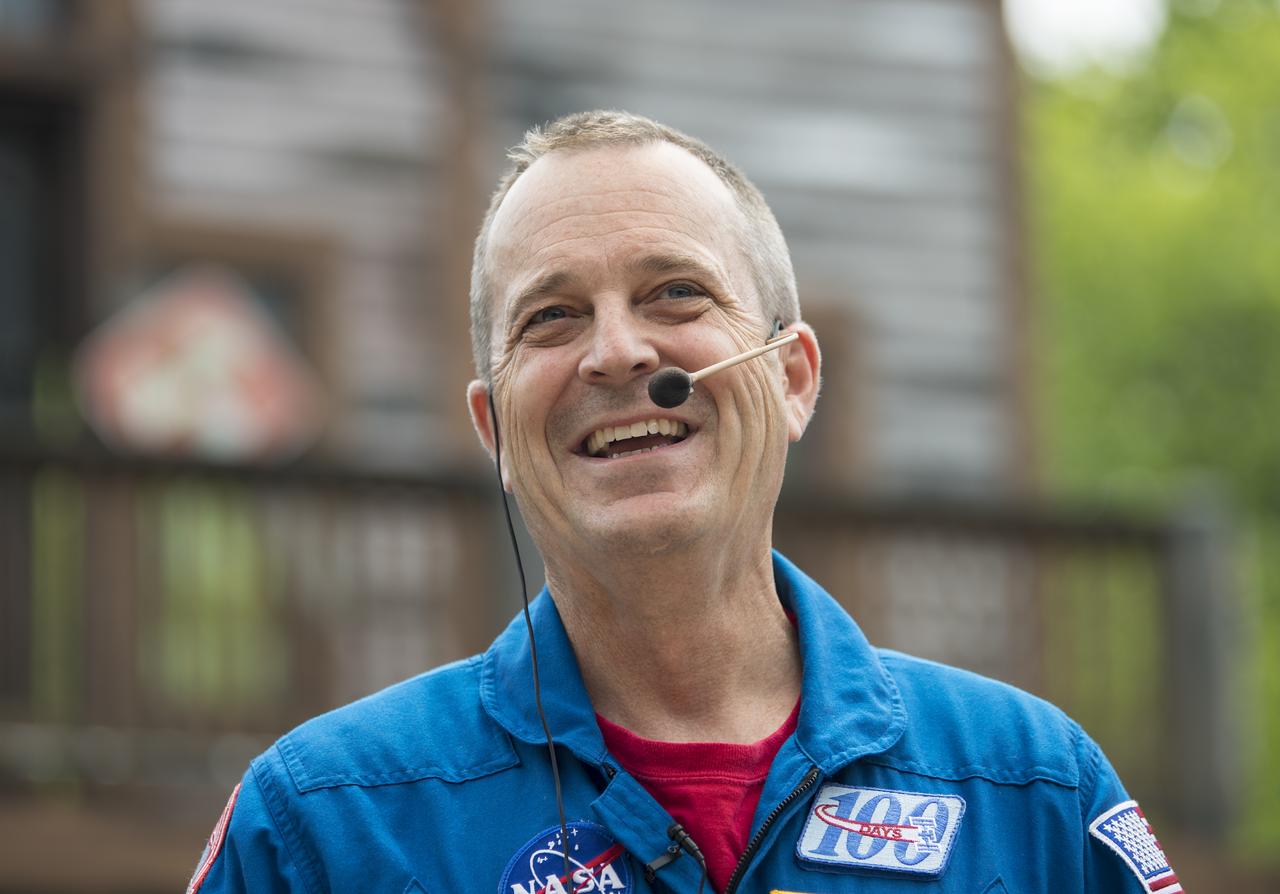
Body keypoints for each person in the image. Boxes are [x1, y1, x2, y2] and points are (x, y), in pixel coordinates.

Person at [189, 110, 1181, 894]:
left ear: (791, 380)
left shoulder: (1032, 790)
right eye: (552, 315)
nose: (617, 352)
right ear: (495, 432)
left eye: (673, 294)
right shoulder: (323, 823)